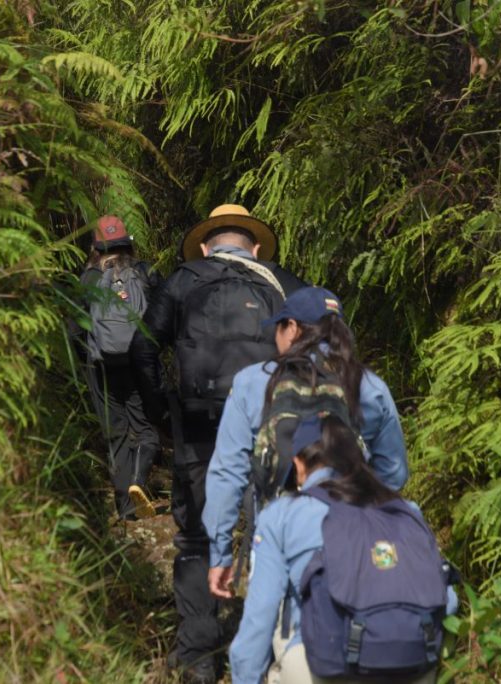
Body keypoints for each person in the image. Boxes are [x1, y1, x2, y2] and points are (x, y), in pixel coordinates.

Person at [131, 204, 304, 682]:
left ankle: (197, 656)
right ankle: (276, 651)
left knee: (195, 538)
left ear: (207, 246)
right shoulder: (282, 283)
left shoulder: (184, 278)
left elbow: (143, 346)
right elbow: (326, 341)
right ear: (254, 246)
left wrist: (161, 413)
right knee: (273, 531)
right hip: (270, 425)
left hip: (199, 424)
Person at [203, 286, 409, 602]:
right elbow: (394, 474)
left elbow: (227, 473)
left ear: (294, 328)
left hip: (276, 534)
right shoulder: (368, 385)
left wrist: (220, 554)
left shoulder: (253, 382)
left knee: (282, 634)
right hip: (351, 533)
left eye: (278, 327)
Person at [228, 415, 452, 684]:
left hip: (326, 667)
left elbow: (258, 619)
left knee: (282, 614)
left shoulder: (282, 515)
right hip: (413, 665)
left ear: (299, 463)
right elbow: (446, 600)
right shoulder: (406, 510)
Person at [79, 215, 162, 520]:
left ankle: (126, 510)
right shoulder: (145, 272)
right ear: (129, 243)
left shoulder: (88, 279)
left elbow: (76, 326)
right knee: (145, 429)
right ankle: (138, 483)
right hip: (139, 363)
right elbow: (161, 319)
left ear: (96, 247)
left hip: (101, 366)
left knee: (115, 434)